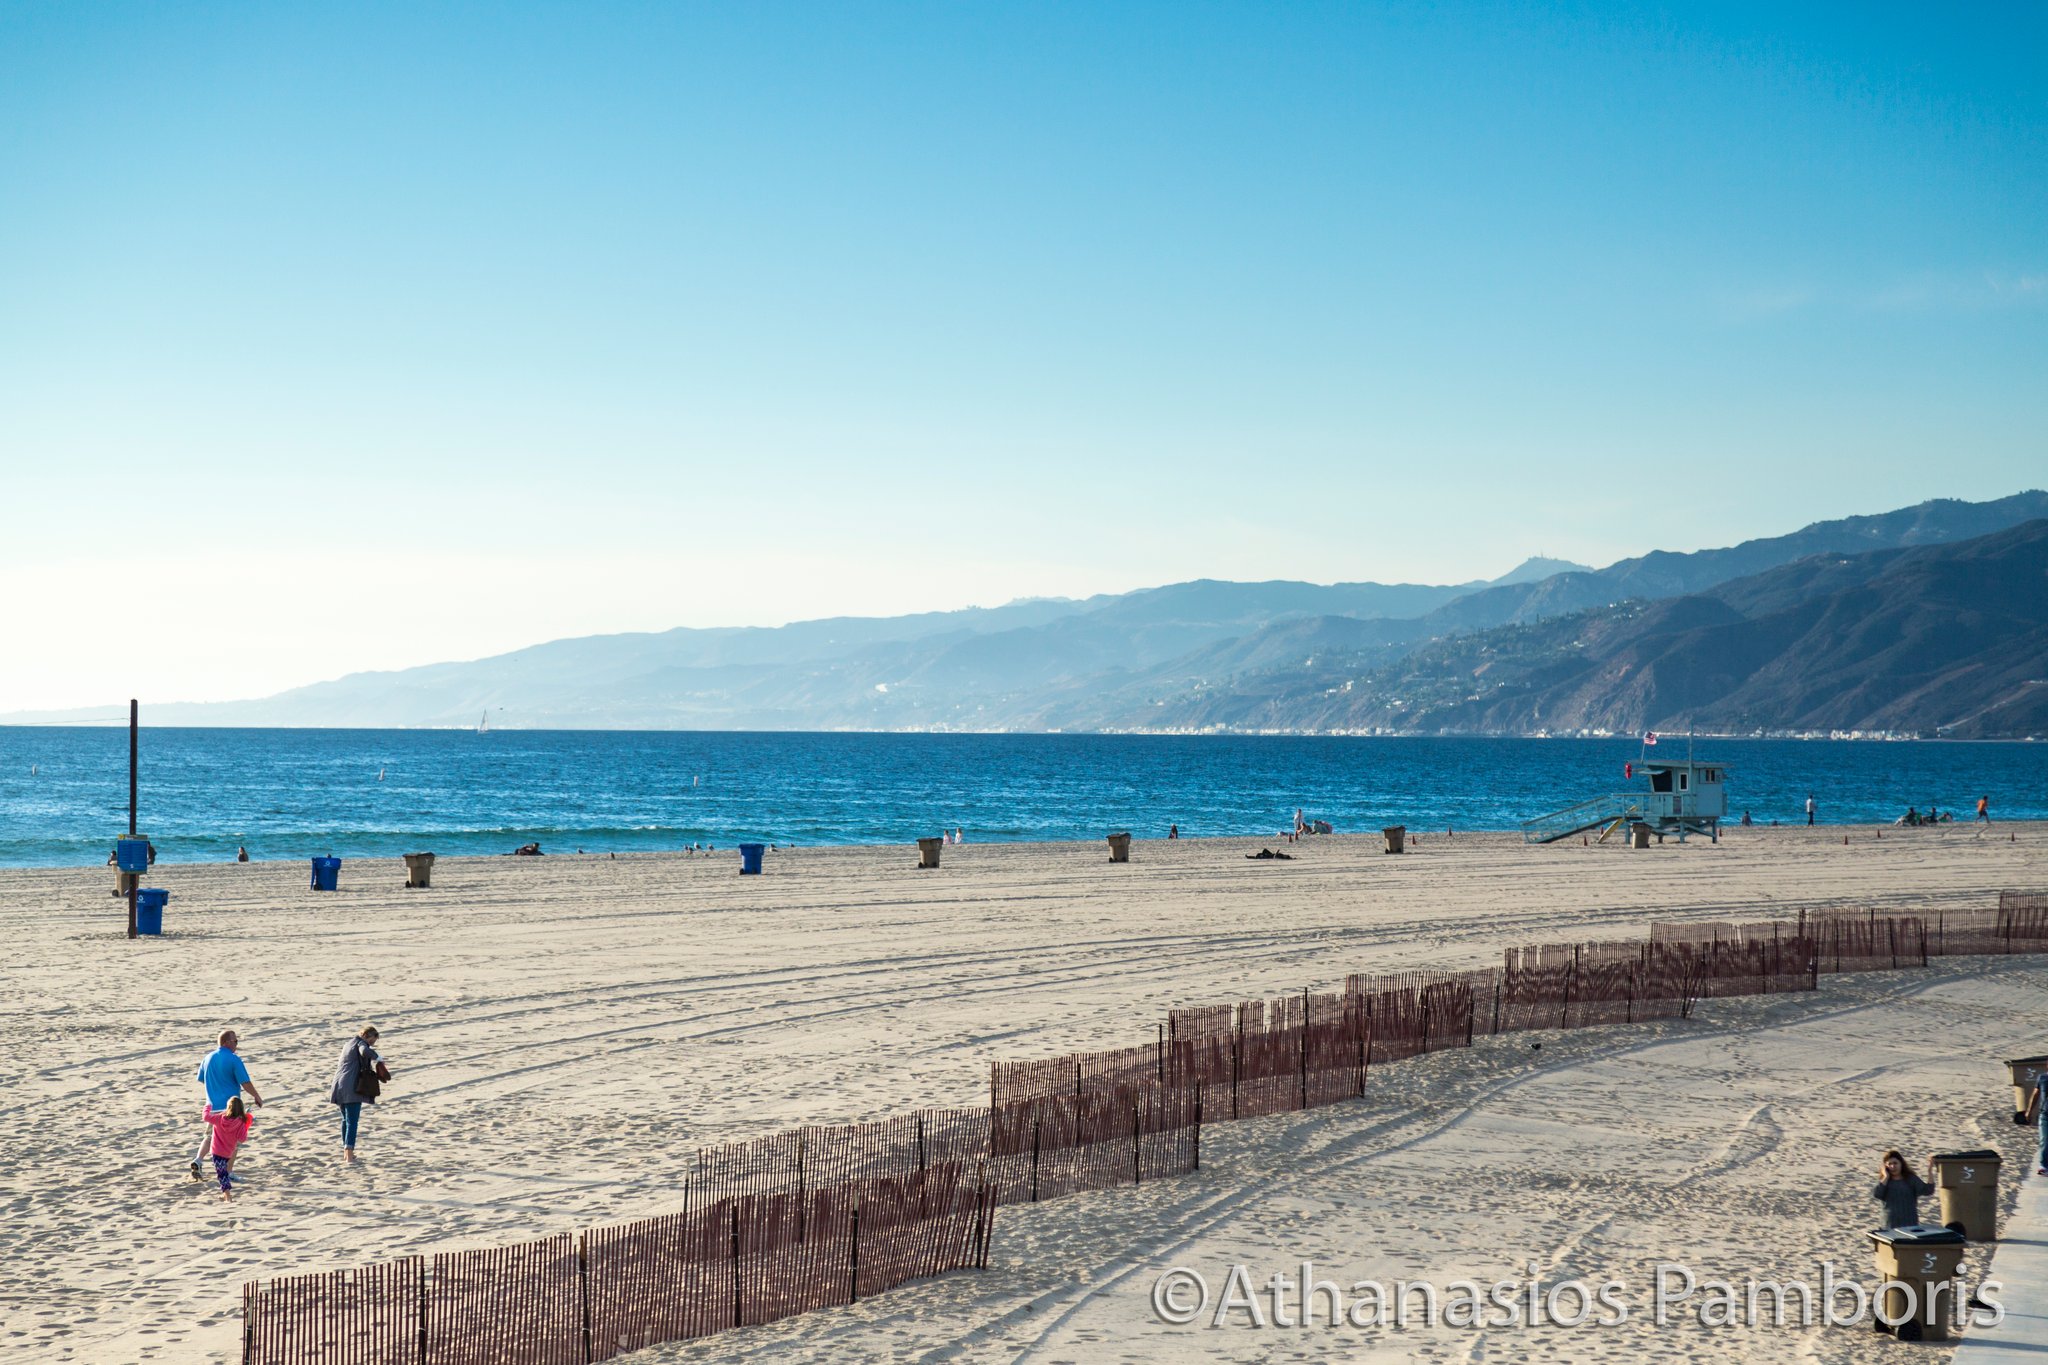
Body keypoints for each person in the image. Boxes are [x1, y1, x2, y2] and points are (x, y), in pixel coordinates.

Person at [190, 1030, 263, 1181]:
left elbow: (202, 1079)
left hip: (212, 1106)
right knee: (234, 1139)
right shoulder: (233, 1059)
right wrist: (256, 1095)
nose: (236, 1045)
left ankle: (198, 1160)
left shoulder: (207, 1058)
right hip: (231, 1108)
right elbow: (245, 1082)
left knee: (210, 1136)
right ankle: (228, 1172)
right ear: (226, 1042)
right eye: (235, 1042)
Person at [329, 1024, 388, 1163]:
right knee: (352, 1122)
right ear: (366, 1035)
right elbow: (364, 1051)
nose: (371, 1045)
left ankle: (347, 1153)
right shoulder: (361, 1044)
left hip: (338, 1086)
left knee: (345, 1120)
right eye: (371, 1042)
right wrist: (378, 1057)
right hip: (351, 1088)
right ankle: (349, 1155)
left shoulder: (348, 1043)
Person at [202, 1097, 255, 1202]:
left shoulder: (219, 1118)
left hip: (217, 1151)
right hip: (228, 1152)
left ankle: (228, 1196)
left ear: (228, 1107)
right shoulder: (240, 1122)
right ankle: (225, 1194)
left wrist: (207, 1106)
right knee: (223, 1172)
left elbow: (205, 1117)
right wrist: (246, 1123)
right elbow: (242, 1139)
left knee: (221, 1174)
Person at [1872, 1149, 1934, 1228]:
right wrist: (1886, 1177)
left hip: (1909, 1224)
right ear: (1885, 1166)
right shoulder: (1884, 1181)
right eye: (1889, 1164)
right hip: (1889, 1225)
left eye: (1895, 1163)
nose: (1893, 1166)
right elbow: (1877, 1194)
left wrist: (1930, 1171)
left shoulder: (1911, 1179)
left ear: (1901, 1164)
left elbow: (1928, 1190)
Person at [2024, 1070, 2048, 1176]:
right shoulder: (2042, 1078)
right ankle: (2043, 1165)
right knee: (2044, 1139)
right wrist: (2029, 1110)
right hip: (2045, 1114)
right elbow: (2035, 1094)